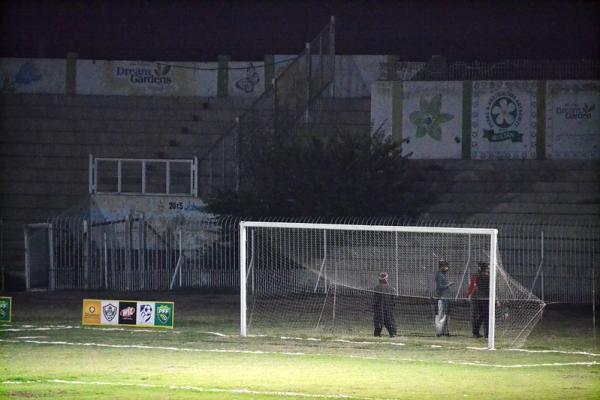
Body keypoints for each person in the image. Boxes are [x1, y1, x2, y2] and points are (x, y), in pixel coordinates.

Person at [373, 272, 397, 338]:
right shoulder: (391, 289)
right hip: (388, 308)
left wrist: (375, 306)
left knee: (379, 321)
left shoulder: (376, 288)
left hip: (379, 308)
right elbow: (394, 299)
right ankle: (392, 334)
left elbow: (375, 299)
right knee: (389, 321)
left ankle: (377, 334)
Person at [434, 260, 454, 336]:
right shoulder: (439, 275)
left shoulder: (443, 275)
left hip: (446, 297)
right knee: (440, 314)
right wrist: (448, 285)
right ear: (441, 267)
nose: (447, 268)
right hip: (441, 297)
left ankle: (445, 331)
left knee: (446, 314)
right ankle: (439, 331)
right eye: (445, 266)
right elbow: (440, 287)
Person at [472, 262, 490, 338]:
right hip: (485, 298)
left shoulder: (478, 276)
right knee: (486, 316)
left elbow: (475, 286)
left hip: (478, 298)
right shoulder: (488, 276)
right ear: (485, 268)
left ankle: (476, 332)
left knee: (480, 315)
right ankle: (487, 333)